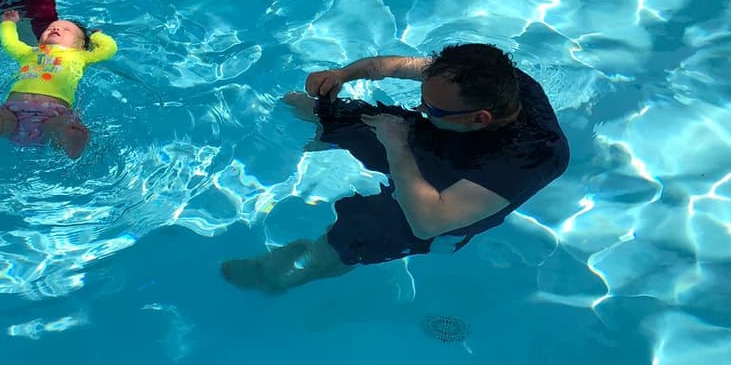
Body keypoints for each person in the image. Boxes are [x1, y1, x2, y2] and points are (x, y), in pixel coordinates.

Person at [223, 43, 569, 293]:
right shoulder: (488, 79)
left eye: (430, 106)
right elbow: (392, 66)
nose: (419, 106)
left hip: (445, 205)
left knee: (351, 238)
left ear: (480, 118)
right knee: (313, 108)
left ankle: (290, 277)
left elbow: (426, 221)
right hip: (435, 140)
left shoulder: (532, 158)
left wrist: (396, 143)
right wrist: (342, 74)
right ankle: (329, 136)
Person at [0, 10, 117, 162]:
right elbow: (10, 44)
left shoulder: (81, 57)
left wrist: (95, 35)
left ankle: (72, 145)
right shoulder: (29, 52)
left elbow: (108, 49)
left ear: (81, 46)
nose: (55, 29)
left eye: (67, 30)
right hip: (12, 113)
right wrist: (8, 24)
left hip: (54, 114)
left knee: (66, 128)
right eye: (50, 28)